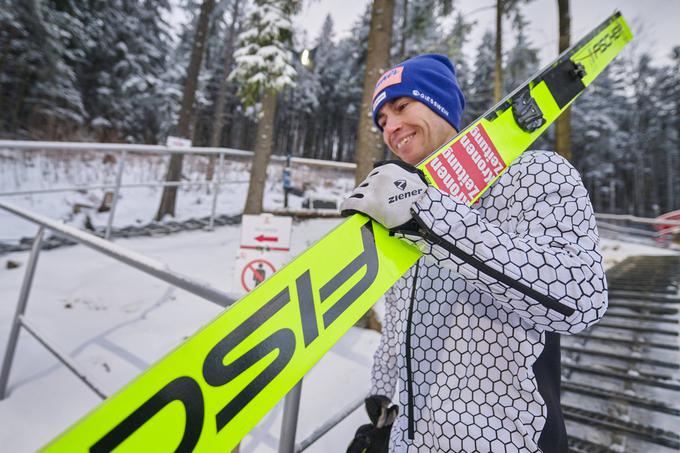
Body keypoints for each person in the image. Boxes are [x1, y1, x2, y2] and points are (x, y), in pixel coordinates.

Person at [342, 54, 608, 452]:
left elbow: (582, 295)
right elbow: (398, 320)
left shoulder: (535, 174)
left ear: (440, 104)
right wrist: (383, 404)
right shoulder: (399, 208)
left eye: (401, 106)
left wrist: (430, 217)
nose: (391, 127)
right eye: (381, 121)